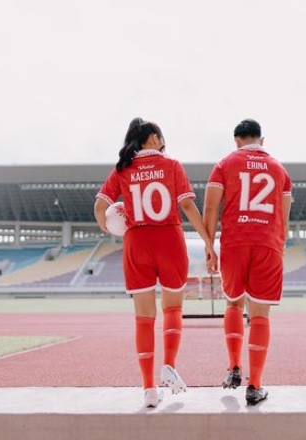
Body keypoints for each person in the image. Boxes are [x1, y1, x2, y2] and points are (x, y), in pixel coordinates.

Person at [94, 117, 217, 408]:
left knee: (143, 318)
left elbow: (100, 206)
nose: (163, 140)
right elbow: (187, 205)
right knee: (173, 306)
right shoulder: (172, 165)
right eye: (160, 136)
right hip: (169, 239)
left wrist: (107, 224)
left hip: (136, 242)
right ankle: (169, 365)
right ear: (152, 138)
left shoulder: (123, 168)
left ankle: (149, 388)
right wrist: (209, 242)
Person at [203, 119, 292, 406]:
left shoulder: (224, 164)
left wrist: (209, 245)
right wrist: (279, 246)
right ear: (261, 141)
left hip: (235, 242)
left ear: (237, 141)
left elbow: (211, 206)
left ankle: (234, 367)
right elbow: (284, 216)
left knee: (232, 304)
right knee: (261, 316)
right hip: (267, 243)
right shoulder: (280, 170)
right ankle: (255, 386)